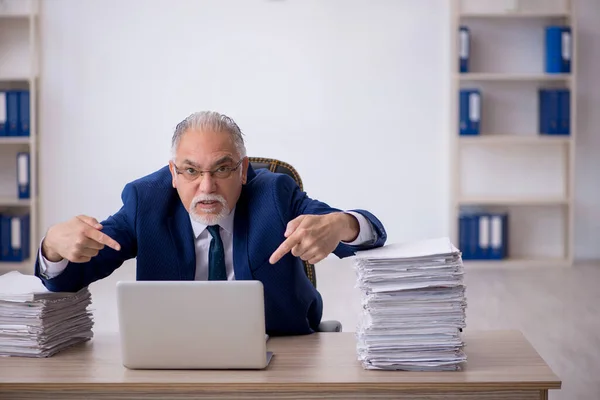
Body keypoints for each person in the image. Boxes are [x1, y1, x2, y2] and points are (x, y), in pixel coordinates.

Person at [35, 111, 387, 335]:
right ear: (173, 173)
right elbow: (68, 278)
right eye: (190, 170)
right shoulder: (147, 201)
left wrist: (341, 224)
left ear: (243, 170)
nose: (206, 186)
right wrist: (53, 246)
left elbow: (370, 231)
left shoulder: (275, 195)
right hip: (173, 360)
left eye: (221, 169)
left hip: (282, 352)